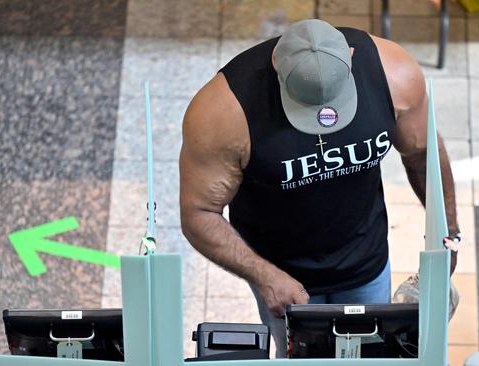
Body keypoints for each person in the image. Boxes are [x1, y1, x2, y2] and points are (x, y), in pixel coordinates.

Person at [179, 19, 460, 357]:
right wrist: (264, 275)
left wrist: (449, 231)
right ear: (275, 67)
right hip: (280, 272)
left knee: (368, 356)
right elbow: (199, 212)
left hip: (366, 262)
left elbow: (422, 154)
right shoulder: (223, 112)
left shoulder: (393, 73)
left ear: (351, 57)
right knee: (296, 358)